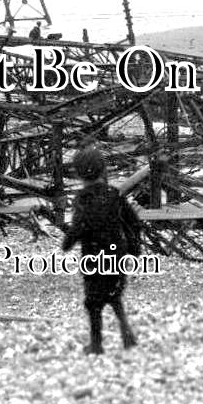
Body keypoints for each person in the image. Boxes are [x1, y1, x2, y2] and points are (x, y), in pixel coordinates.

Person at [61, 148, 141, 355]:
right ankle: (127, 335)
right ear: (103, 169)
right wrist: (134, 249)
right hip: (116, 255)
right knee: (114, 295)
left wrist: (68, 242)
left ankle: (96, 344)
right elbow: (133, 222)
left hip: (94, 257)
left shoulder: (82, 198)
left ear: (79, 173)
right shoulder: (114, 194)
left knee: (93, 302)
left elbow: (79, 226)